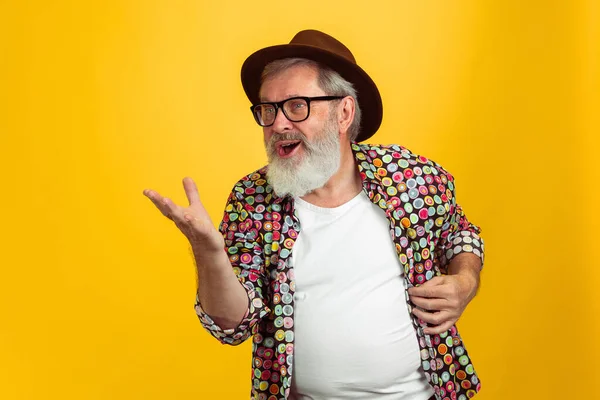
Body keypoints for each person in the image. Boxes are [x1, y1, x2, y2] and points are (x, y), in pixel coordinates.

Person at [143, 29, 485, 400]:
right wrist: (209, 252)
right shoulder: (252, 199)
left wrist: (465, 280)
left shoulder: (410, 177)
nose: (277, 124)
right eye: (268, 109)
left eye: (296, 105)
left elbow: (459, 233)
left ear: (344, 112)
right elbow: (231, 324)